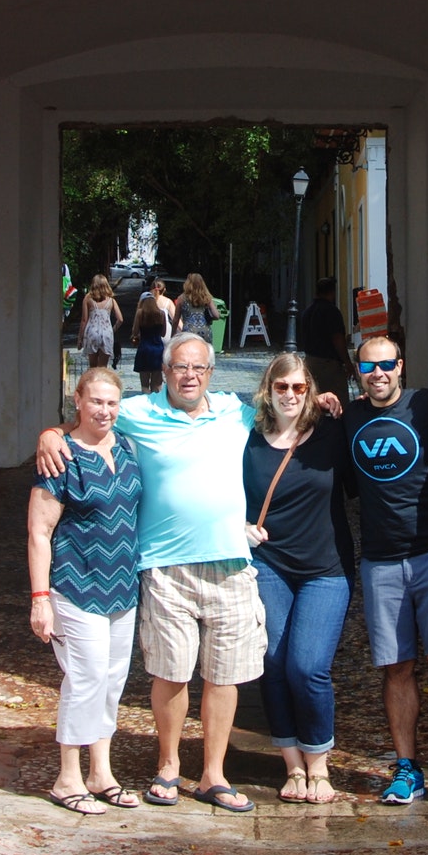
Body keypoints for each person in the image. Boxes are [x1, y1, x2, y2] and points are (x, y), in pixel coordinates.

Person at [36, 334, 337, 813]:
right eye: (180, 367)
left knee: (226, 676)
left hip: (231, 563)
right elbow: (91, 421)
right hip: (165, 567)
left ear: (211, 373)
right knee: (170, 673)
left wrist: (318, 399)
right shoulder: (137, 412)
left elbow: (287, 411)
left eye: (198, 367)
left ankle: (213, 774)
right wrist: (51, 433)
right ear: (166, 370)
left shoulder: (235, 412)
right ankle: (169, 765)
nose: (189, 375)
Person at [345, 335, 428, 808]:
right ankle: (407, 768)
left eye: (386, 364)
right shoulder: (349, 415)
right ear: (358, 371)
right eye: (368, 366)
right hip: (380, 559)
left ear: (402, 365)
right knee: (396, 667)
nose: (378, 373)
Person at [26, 367, 144, 814]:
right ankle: (67, 777)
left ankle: (102, 772)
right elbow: (39, 531)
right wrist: (40, 599)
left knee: (112, 682)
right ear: (77, 400)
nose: (105, 410)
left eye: (112, 403)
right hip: (76, 585)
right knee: (86, 679)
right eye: (96, 401)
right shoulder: (61, 456)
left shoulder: (129, 448)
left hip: (122, 588)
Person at [243, 354, 353, 805]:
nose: (290, 395)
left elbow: (379, 461)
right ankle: (292, 763)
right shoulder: (245, 440)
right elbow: (212, 490)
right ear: (267, 390)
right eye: (281, 387)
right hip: (270, 564)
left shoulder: (330, 433)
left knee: (307, 666)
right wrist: (238, 527)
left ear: (310, 389)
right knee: (272, 659)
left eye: (299, 387)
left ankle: (319, 763)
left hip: (325, 570)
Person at [298, 276, 353, 401]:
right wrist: (347, 362)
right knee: (339, 401)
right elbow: (338, 339)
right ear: (332, 292)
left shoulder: (307, 312)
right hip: (329, 365)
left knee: (313, 400)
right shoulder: (332, 312)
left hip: (310, 362)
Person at [79, 274, 121, 370]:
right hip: (107, 333)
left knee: (93, 367)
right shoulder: (112, 301)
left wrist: (80, 338)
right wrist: (112, 330)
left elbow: (84, 320)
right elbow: (120, 319)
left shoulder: (87, 299)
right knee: (103, 368)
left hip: (92, 332)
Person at [131, 293, 168, 394]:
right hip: (158, 349)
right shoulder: (161, 314)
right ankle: (155, 403)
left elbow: (134, 332)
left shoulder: (140, 313)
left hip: (144, 348)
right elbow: (163, 333)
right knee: (157, 384)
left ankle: (146, 399)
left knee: (144, 384)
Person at [177, 273, 218, 346]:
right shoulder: (207, 298)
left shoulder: (181, 298)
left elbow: (175, 320)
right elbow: (216, 315)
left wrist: (173, 335)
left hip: (189, 332)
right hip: (205, 331)